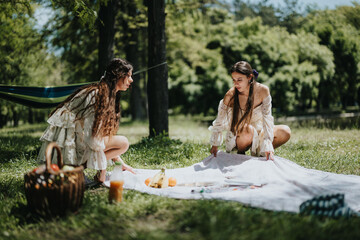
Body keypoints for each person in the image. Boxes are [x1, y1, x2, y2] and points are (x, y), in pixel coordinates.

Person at [37, 58, 135, 182]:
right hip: (69, 142)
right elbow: (93, 139)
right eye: (128, 76)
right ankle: (78, 168)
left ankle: (79, 168)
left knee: (119, 142)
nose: (131, 80)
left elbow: (100, 135)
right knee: (123, 142)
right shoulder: (97, 95)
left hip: (76, 138)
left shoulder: (105, 93)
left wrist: (120, 164)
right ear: (118, 76)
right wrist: (102, 171)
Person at [209, 61, 291, 160]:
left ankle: (261, 154)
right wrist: (215, 144)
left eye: (239, 80)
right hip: (240, 135)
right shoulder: (230, 94)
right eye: (234, 80)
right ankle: (240, 154)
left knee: (285, 130)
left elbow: (268, 118)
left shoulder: (263, 90)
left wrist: (268, 143)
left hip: (259, 130)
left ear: (250, 77)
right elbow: (219, 120)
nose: (236, 83)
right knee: (247, 128)